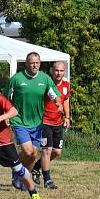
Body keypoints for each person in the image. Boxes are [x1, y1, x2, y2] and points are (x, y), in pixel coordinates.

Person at [3, 52, 63, 176]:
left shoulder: (45, 78)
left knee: (33, 154)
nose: (34, 65)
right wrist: (6, 115)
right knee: (29, 151)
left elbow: (54, 94)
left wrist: (58, 102)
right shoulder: (17, 78)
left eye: (37, 63)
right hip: (19, 120)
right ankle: (16, 169)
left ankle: (24, 178)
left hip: (37, 123)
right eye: (31, 63)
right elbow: (5, 98)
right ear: (26, 64)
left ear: (40, 63)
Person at [32, 61, 72, 189]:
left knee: (57, 151)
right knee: (46, 150)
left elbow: (65, 101)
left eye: (61, 71)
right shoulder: (45, 83)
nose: (59, 73)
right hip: (44, 122)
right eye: (56, 71)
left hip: (57, 122)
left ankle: (35, 168)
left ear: (64, 71)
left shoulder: (66, 85)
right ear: (51, 71)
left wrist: (67, 117)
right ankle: (47, 180)